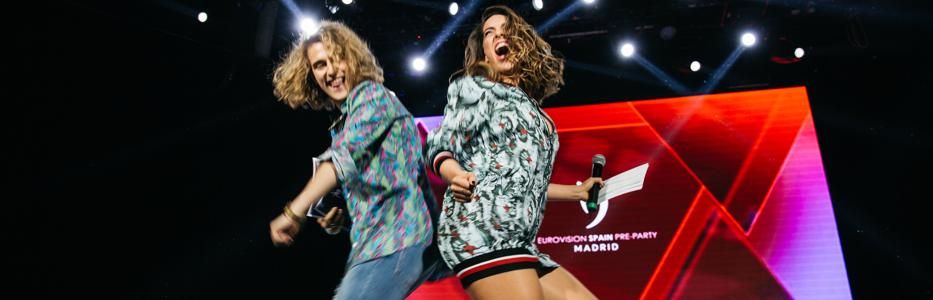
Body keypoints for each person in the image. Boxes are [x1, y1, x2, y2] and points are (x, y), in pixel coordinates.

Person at [426, 5, 601, 300]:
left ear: (521, 44)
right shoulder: (475, 89)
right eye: (489, 34)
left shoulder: (530, 105)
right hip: (482, 231)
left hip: (520, 241)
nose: (498, 37)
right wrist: (455, 175)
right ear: (484, 54)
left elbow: (521, 181)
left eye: (505, 32)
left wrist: (578, 193)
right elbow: (439, 146)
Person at [268, 20, 439, 300]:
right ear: (310, 74)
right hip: (381, 245)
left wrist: (293, 212)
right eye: (320, 65)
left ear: (354, 60)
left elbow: (340, 158)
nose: (331, 71)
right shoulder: (346, 120)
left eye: (338, 59)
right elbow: (390, 184)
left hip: (394, 242)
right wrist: (342, 217)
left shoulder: (372, 97)